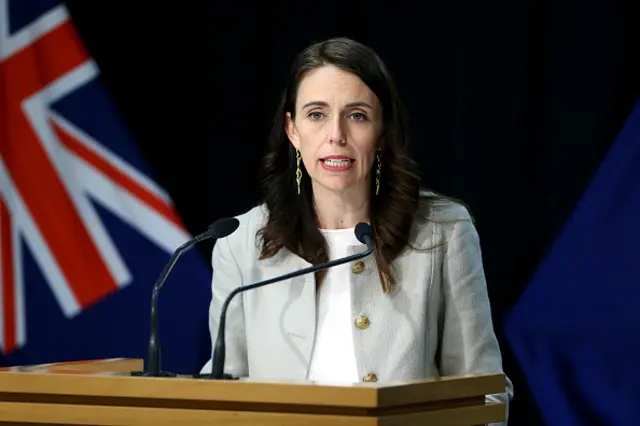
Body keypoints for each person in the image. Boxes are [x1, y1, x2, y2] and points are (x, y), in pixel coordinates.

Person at [200, 37, 513, 422]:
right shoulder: (240, 242)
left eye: (357, 115)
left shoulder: (442, 232)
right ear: (292, 130)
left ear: (381, 132)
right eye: (316, 114)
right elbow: (220, 389)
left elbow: (482, 389)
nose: (337, 135)